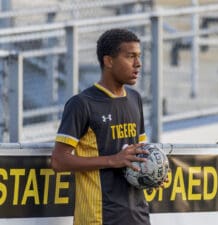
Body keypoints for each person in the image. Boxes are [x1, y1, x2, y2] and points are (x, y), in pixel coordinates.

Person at [51, 28, 151, 225]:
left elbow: (140, 154)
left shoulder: (135, 99)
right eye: (130, 56)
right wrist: (112, 160)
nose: (138, 64)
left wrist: (154, 173)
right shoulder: (81, 103)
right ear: (109, 61)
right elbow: (59, 161)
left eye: (139, 56)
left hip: (137, 216)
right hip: (98, 217)